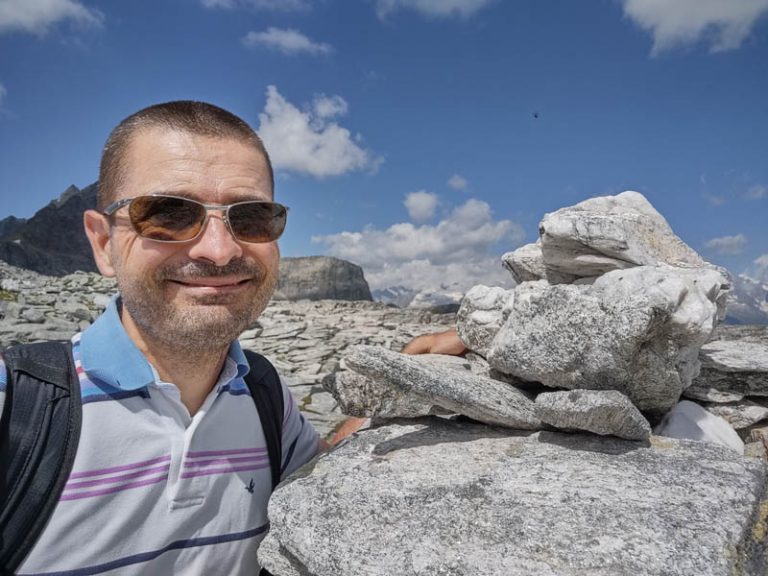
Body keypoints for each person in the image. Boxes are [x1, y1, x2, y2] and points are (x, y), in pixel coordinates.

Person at [0, 101, 326, 575]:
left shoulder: (267, 396)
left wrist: (407, 384)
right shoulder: (17, 407)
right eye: (169, 214)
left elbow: (329, 481)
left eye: (252, 217)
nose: (218, 250)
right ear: (103, 242)